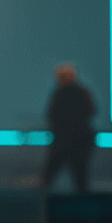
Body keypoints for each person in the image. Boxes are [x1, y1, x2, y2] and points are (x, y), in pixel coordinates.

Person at [41, 62, 96, 193]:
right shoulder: (82, 92)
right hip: (81, 140)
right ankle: (83, 207)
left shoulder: (60, 94)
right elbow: (92, 110)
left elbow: (51, 115)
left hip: (64, 140)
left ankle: (39, 205)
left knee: (49, 176)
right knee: (80, 178)